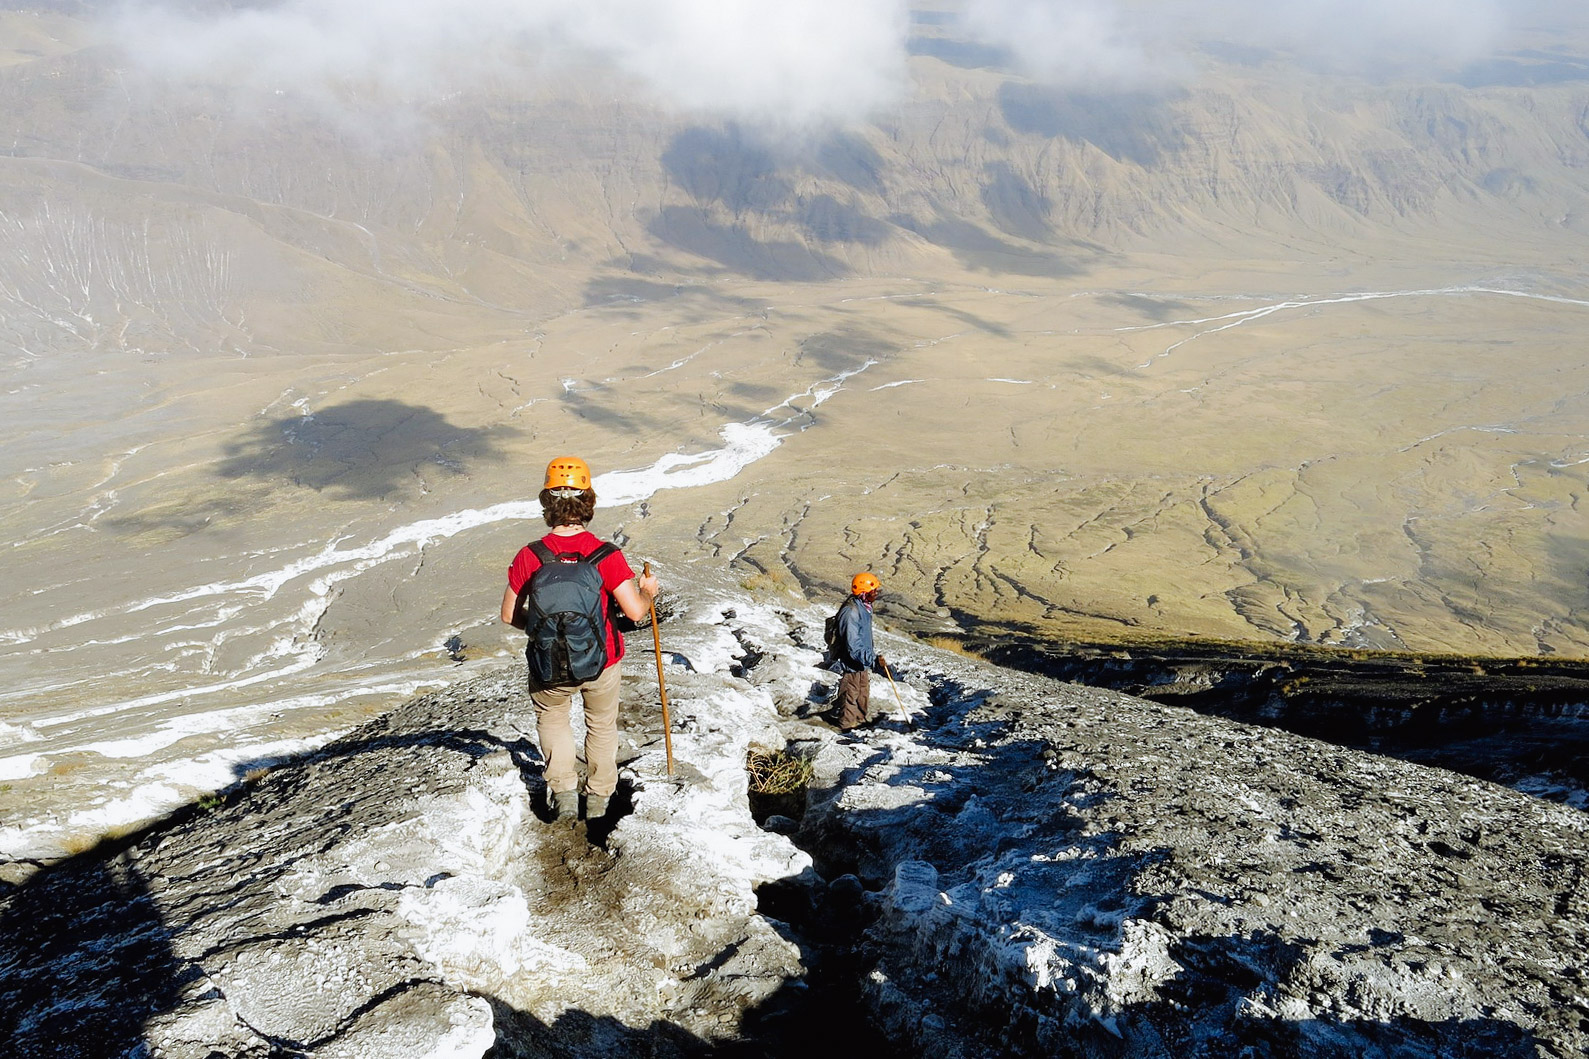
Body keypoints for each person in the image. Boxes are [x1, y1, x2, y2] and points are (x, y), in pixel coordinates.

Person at [499, 456, 659, 825]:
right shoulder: (605, 555)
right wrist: (648, 592)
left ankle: (564, 794)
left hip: (546, 664)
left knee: (553, 718)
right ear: (588, 503)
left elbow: (509, 615)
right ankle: (600, 798)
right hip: (601, 660)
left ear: (547, 505)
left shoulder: (531, 556)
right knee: (601, 724)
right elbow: (635, 613)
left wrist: (543, 635)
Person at [831, 572, 888, 731]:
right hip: (852, 665)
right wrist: (873, 660)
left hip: (861, 664)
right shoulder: (851, 612)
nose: (876, 594)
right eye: (873, 591)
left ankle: (860, 726)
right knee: (850, 698)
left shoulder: (863, 607)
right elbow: (853, 646)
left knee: (862, 697)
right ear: (864, 592)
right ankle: (845, 731)